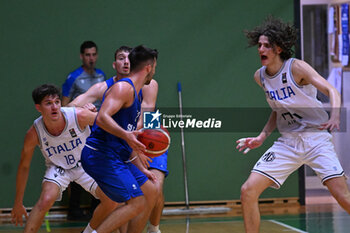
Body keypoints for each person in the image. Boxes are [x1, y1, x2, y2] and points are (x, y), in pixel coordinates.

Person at [236, 16, 350, 233]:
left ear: (278, 48)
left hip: (316, 140)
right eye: (259, 45)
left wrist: (335, 116)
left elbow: (332, 90)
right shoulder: (260, 77)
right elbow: (278, 109)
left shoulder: (296, 68)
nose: (261, 49)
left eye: (266, 45)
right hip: (287, 143)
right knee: (248, 190)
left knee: (343, 198)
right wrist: (262, 137)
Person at [70, 45, 168, 233]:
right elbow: (101, 118)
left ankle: (153, 228)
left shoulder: (145, 88)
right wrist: (126, 135)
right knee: (134, 201)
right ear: (148, 67)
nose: (155, 71)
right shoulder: (122, 87)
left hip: (127, 149)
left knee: (151, 189)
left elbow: (145, 121)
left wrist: (139, 164)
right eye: (154, 67)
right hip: (102, 154)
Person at [11, 84, 118, 233]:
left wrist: (133, 137)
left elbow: (109, 123)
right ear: (38, 108)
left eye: (57, 102)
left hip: (85, 163)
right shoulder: (34, 133)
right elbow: (24, 167)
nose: (54, 107)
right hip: (58, 167)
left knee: (112, 199)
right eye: (48, 103)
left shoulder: (79, 115)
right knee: (46, 199)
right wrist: (18, 202)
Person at [62, 40, 106, 220]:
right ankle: (74, 209)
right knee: (80, 166)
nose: (91, 58)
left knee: (99, 166)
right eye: (87, 55)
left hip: (99, 126)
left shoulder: (102, 76)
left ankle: (96, 208)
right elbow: (64, 105)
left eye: (94, 54)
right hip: (80, 128)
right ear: (82, 56)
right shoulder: (73, 77)